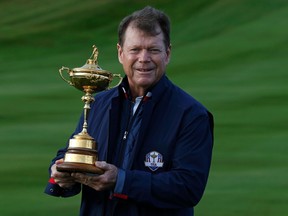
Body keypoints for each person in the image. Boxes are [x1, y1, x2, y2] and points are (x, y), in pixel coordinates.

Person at [45, 6, 214, 216]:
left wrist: (121, 181)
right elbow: (70, 154)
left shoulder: (191, 114)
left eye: (153, 49)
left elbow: (188, 187)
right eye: (135, 49)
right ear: (120, 53)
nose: (144, 58)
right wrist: (58, 174)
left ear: (167, 54)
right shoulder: (99, 104)